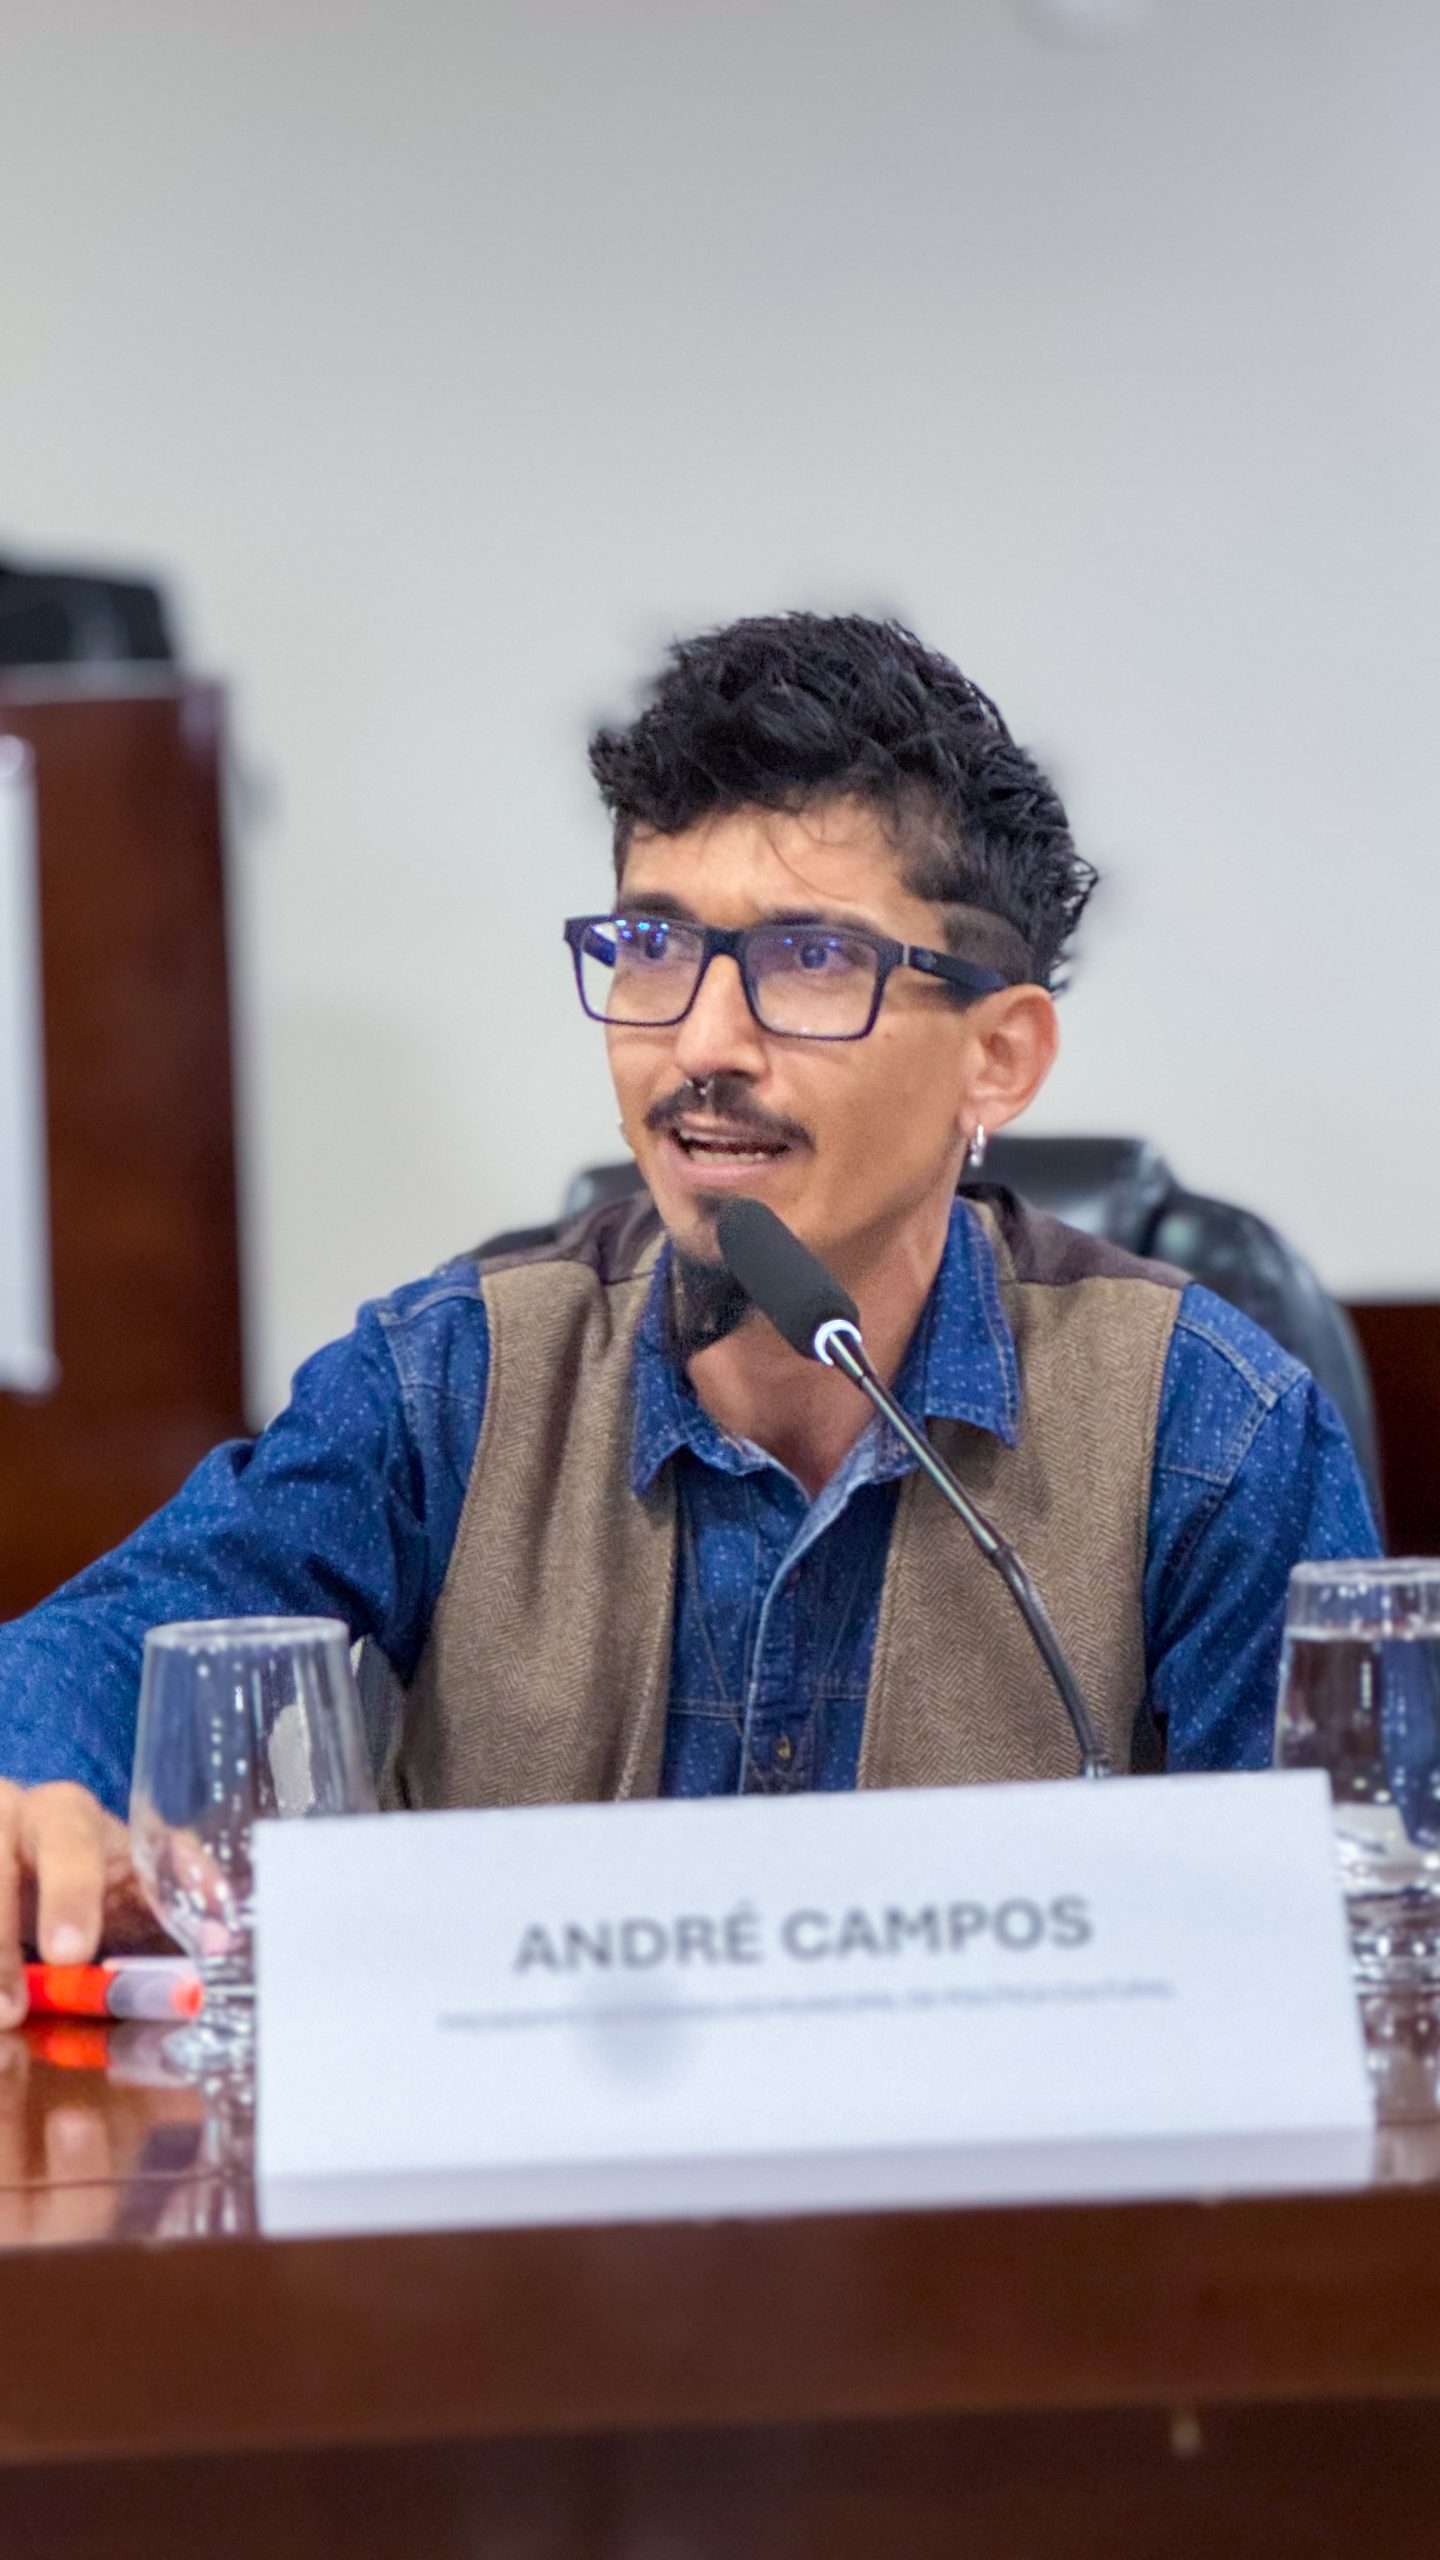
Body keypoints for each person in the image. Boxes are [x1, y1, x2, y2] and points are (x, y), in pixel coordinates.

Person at [0, 613, 1378, 2020]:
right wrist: (26, 1794)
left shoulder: (1208, 1429)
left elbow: (1329, 1967)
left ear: (999, 1058)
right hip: (534, 2162)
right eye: (654, 946)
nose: (702, 1043)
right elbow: (114, 1653)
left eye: (811, 959)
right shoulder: (449, 1380)